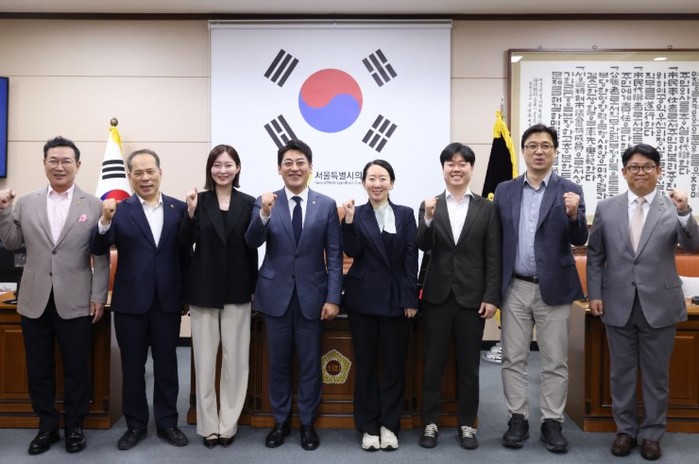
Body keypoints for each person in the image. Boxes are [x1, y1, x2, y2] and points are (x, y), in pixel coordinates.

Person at [587, 144, 699, 461]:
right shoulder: (607, 208)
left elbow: (693, 245)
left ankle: (651, 435)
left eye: (648, 166)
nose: (641, 172)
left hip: (660, 304)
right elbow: (595, 255)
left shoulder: (673, 206)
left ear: (658, 171)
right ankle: (625, 431)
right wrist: (595, 294)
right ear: (624, 172)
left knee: (656, 376)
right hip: (617, 301)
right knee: (621, 374)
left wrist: (685, 212)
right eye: (634, 167)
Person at [0, 136, 109, 456]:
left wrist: (98, 296)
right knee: (38, 367)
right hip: (35, 298)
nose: (59, 167)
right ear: (44, 163)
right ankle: (46, 425)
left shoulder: (94, 204)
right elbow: (11, 243)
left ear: (78, 165)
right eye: (53, 160)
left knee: (77, 367)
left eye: (66, 161)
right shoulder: (26, 202)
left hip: (76, 298)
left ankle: (74, 425)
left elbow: (101, 256)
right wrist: (4, 211)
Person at [493, 123, 587, 454]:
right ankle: (517, 419)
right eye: (532, 145)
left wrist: (573, 215)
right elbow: (496, 239)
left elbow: (579, 238)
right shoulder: (505, 190)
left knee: (555, 360)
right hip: (515, 287)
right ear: (523, 150)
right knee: (513, 358)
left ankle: (552, 422)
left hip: (555, 288)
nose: (539, 151)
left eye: (546, 145)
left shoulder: (569, 190)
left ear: (555, 151)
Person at [244, 139, 342, 451]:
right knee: (278, 363)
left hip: (313, 297)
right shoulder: (265, 202)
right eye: (288, 163)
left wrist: (333, 297)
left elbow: (335, 255)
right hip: (275, 296)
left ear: (310, 167)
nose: (294, 168)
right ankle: (280, 421)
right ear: (279, 169)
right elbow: (251, 241)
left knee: (311, 364)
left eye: (300, 162)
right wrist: (264, 213)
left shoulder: (326, 204)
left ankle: (308, 424)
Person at [90, 149, 190, 450]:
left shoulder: (179, 209)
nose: (145, 178)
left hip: (167, 300)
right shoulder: (119, 210)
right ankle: (135, 425)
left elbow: (185, 255)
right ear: (130, 176)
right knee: (133, 367)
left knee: (167, 365)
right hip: (130, 302)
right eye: (138, 173)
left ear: (160, 172)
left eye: (150, 171)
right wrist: (104, 221)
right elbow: (99, 247)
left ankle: (167, 422)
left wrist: (186, 294)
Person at [417, 142, 501, 451]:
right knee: (433, 364)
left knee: (469, 366)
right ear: (443, 169)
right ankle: (430, 422)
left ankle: (467, 424)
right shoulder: (430, 205)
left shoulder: (486, 208)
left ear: (471, 168)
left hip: (471, 299)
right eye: (450, 163)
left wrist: (491, 297)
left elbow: (493, 256)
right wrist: (427, 218)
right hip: (436, 297)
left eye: (462, 163)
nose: (456, 168)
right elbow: (422, 244)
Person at [181, 144, 258, 448]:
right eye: (217, 165)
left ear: (238, 168)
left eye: (228, 165)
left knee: (236, 361)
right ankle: (207, 425)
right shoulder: (198, 201)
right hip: (204, 289)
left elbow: (252, 250)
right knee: (204, 361)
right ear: (209, 169)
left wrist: (253, 288)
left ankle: (228, 424)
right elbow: (184, 242)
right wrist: (189, 213)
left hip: (238, 288)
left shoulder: (249, 202)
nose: (222, 170)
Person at [341, 159, 418, 451]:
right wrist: (349, 221)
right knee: (366, 366)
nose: (377, 184)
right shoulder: (355, 214)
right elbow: (351, 250)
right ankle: (368, 426)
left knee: (393, 366)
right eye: (371, 178)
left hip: (396, 300)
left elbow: (410, 258)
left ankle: (389, 425)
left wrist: (410, 298)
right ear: (364, 183)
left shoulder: (405, 214)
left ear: (392, 183)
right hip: (362, 299)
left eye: (383, 178)